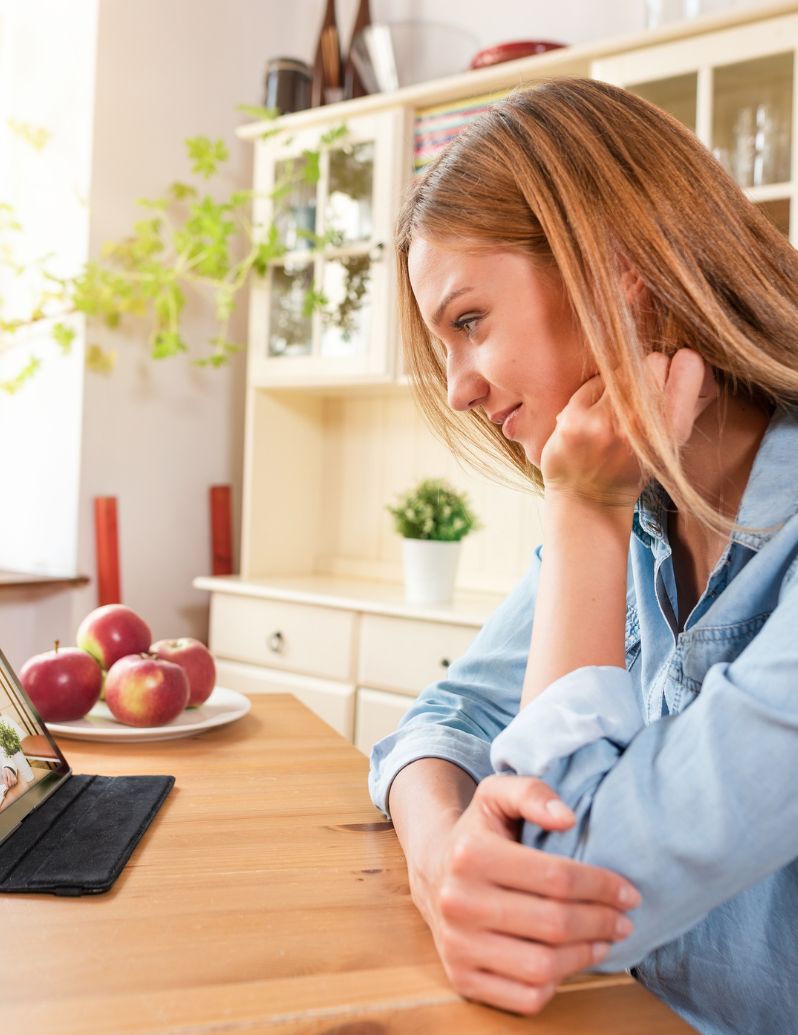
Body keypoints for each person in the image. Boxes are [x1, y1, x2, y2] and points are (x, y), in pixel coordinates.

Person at [368, 78, 798, 1035]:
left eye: (469, 322)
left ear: (618, 272)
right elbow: (441, 720)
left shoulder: (602, 508)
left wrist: (583, 511)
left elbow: (561, 876)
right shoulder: (642, 506)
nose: (459, 389)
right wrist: (443, 860)